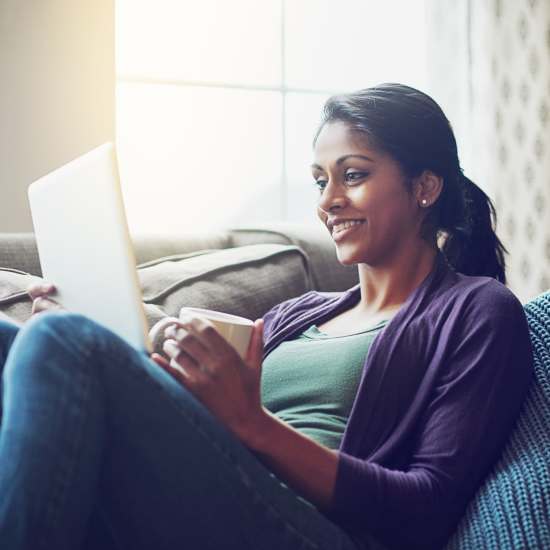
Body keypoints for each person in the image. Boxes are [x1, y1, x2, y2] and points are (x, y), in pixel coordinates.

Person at [0, 83, 533, 550]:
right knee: (18, 338)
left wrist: (253, 424)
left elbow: (427, 508)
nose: (330, 201)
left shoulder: (477, 310)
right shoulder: (293, 315)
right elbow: (193, 417)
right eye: (321, 181)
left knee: (61, 341)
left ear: (425, 187)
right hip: (211, 485)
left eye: (353, 175)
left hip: (317, 530)